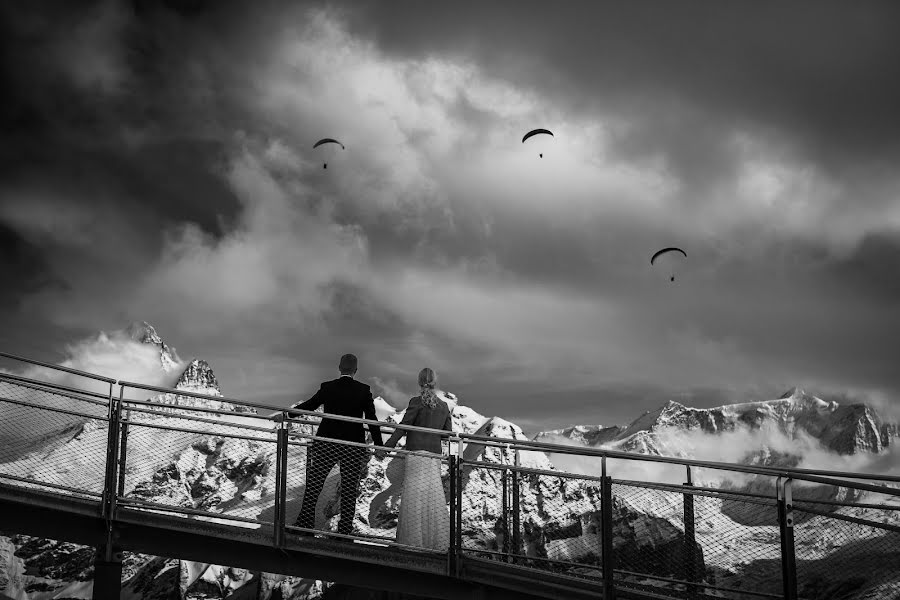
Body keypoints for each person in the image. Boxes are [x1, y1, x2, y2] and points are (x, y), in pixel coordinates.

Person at [293, 354, 383, 536]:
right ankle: (344, 533)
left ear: (339, 368)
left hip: (327, 443)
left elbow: (310, 405)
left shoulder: (328, 387)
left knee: (314, 484)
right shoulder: (363, 390)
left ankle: (304, 525)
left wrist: (288, 415)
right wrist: (379, 445)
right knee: (349, 490)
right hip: (352, 446)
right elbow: (371, 419)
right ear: (355, 371)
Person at [377, 368, 453, 551]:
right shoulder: (443, 406)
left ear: (419, 382)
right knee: (433, 496)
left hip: (416, 455)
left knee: (413, 495)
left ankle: (411, 543)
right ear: (435, 383)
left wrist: (387, 447)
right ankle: (435, 543)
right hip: (434, 456)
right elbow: (447, 433)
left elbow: (403, 427)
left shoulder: (416, 402)